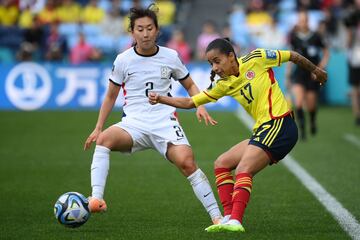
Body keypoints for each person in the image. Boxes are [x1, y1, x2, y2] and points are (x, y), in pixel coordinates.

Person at [148, 38, 327, 233]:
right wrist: (162, 99)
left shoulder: (257, 58)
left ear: (231, 56)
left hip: (280, 124)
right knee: (222, 163)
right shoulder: (224, 84)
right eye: (211, 64)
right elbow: (191, 102)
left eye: (217, 61)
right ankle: (227, 217)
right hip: (264, 130)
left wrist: (316, 70)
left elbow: (292, 55)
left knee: (244, 168)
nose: (214, 67)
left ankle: (236, 220)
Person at [83, 5, 223, 226]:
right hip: (134, 124)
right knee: (104, 140)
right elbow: (110, 96)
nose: (145, 33)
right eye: (140, 28)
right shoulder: (123, 60)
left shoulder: (170, 56)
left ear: (157, 31)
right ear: (132, 32)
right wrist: (98, 127)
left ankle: (217, 217)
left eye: (150, 28)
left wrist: (200, 105)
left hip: (164, 122)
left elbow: (190, 84)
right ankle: (97, 198)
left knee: (187, 163)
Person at [286, 10, 329, 140]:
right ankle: (302, 130)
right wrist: (287, 74)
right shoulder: (294, 36)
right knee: (298, 103)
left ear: (308, 22)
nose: (302, 23)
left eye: (304, 20)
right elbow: (291, 56)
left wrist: (319, 69)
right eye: (300, 20)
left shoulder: (316, 36)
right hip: (299, 73)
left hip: (312, 75)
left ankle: (312, 121)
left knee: (311, 105)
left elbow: (326, 53)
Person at [344, 1, 360, 126]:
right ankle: (357, 115)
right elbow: (348, 38)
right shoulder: (351, 16)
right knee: (355, 88)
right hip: (355, 55)